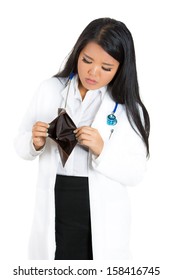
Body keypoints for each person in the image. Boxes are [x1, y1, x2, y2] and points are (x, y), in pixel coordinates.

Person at [14, 17, 150, 260]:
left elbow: (136, 172)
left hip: (98, 204)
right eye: (86, 60)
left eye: (106, 68)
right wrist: (34, 143)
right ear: (77, 53)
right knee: (56, 260)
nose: (93, 72)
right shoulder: (49, 89)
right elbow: (19, 144)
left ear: (121, 68)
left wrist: (101, 150)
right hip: (57, 195)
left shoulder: (128, 109)